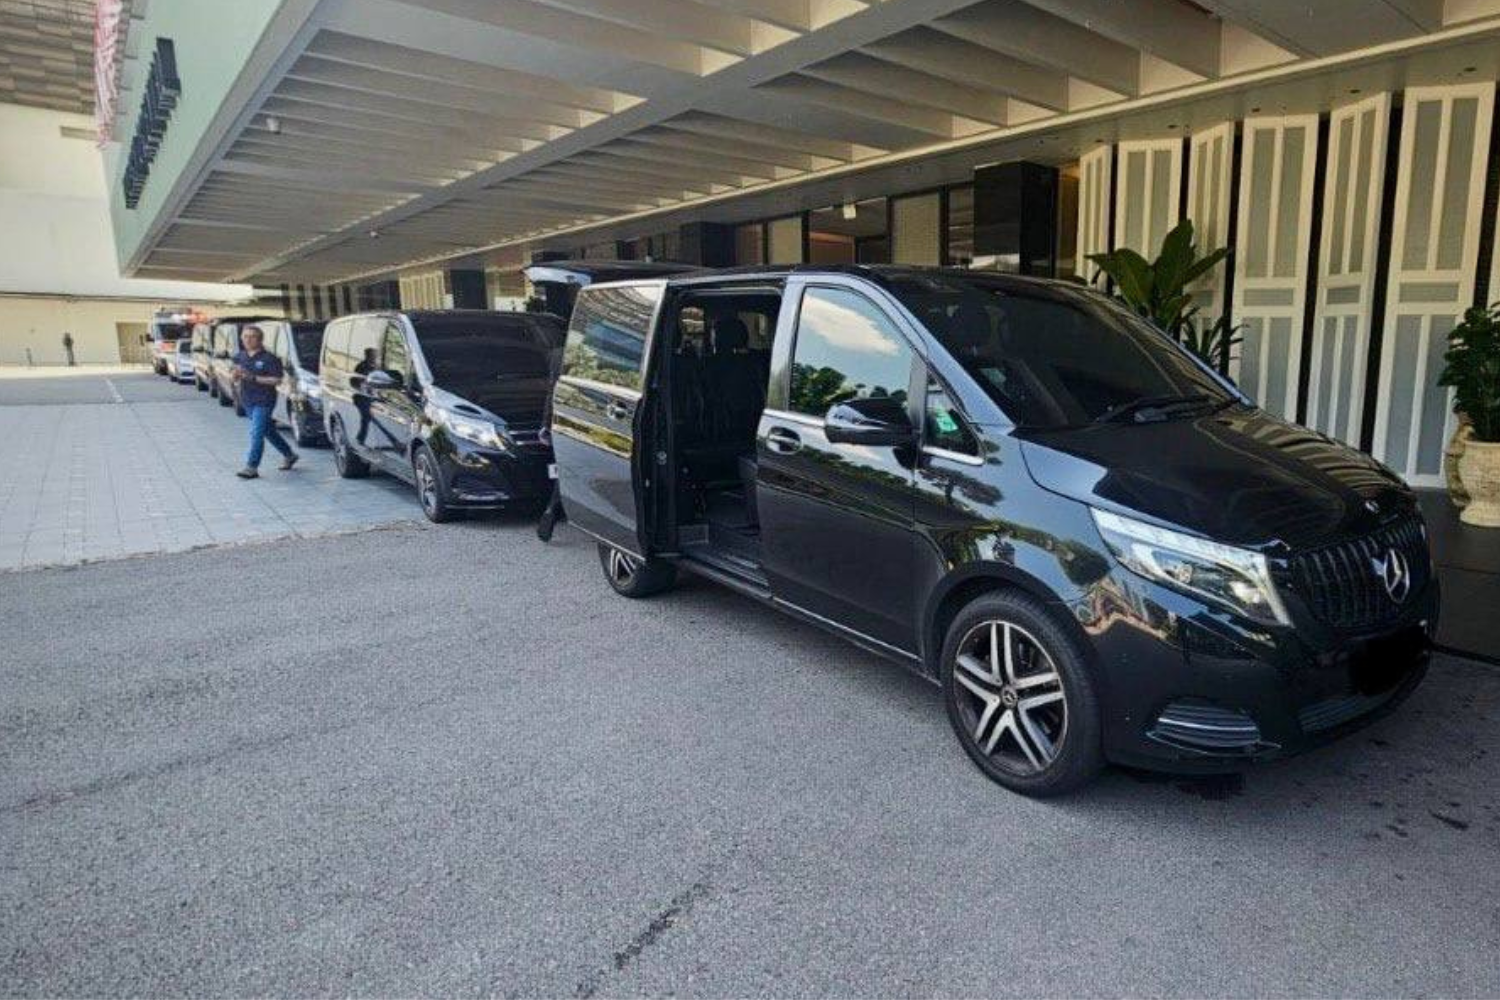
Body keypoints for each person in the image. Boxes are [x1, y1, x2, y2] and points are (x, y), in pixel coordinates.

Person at [232, 325, 298, 479]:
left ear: (260, 339)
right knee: (268, 431)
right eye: (245, 336)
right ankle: (289, 455)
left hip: (264, 401)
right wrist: (235, 376)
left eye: (252, 336)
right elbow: (234, 377)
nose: (248, 340)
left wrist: (254, 378)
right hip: (247, 400)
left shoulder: (269, 358)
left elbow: (277, 380)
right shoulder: (240, 356)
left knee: (256, 433)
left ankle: (251, 467)